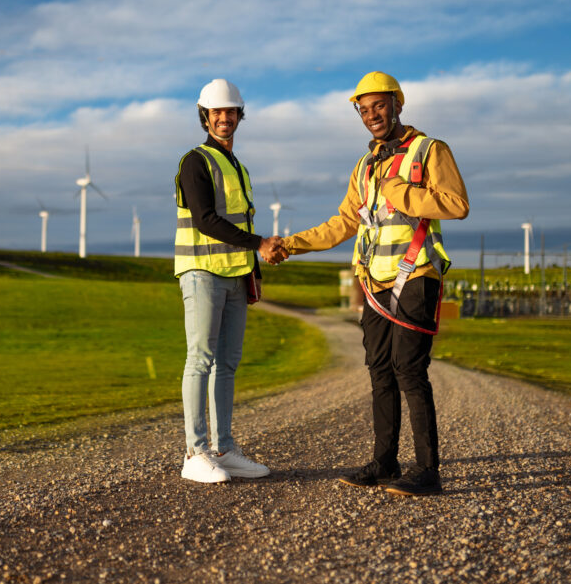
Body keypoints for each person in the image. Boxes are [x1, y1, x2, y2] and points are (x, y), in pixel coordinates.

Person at [281, 71, 468, 496]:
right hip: (374, 283)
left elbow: (457, 204)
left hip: (416, 274)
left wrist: (402, 192)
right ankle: (385, 463)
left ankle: (427, 470)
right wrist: (291, 244)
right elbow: (345, 222)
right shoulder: (365, 165)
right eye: (363, 110)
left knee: (409, 369)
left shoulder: (429, 150)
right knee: (380, 370)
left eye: (379, 106)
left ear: (398, 104)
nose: (372, 116)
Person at [174, 78, 287, 483]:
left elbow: (241, 221)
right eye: (218, 112)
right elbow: (206, 219)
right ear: (205, 116)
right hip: (202, 273)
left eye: (232, 111)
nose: (225, 118)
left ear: (240, 115)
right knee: (200, 359)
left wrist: (254, 271)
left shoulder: (238, 167)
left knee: (227, 364)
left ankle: (223, 448)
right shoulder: (195, 161)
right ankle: (194, 453)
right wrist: (260, 244)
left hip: (236, 276)